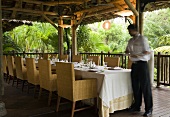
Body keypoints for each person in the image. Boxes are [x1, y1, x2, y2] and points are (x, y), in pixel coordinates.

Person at [125, 24, 153, 117]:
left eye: (130, 31)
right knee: (135, 86)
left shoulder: (142, 39)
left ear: (134, 30)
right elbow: (127, 50)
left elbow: (148, 51)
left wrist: (140, 54)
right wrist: (127, 52)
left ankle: (149, 109)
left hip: (142, 64)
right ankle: (137, 106)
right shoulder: (130, 40)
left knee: (145, 87)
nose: (129, 32)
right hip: (134, 65)